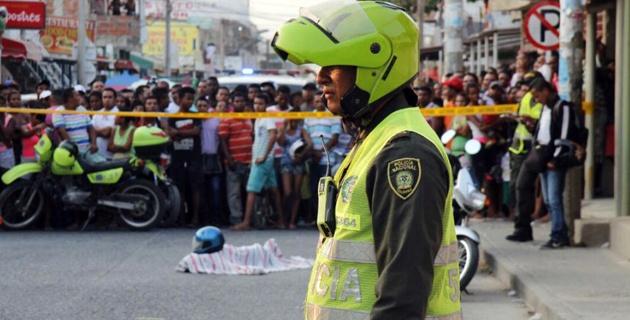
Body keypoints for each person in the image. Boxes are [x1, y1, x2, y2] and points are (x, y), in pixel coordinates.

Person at [272, 1, 461, 318]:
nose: (321, 78)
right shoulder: (375, 137)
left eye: (333, 66)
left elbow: (403, 295)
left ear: (375, 65)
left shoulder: (404, 152)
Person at [507, 79, 575, 249]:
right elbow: (541, 132)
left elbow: (564, 136)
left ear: (546, 90)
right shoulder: (546, 108)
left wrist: (555, 158)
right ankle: (556, 233)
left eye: (538, 95)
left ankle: (559, 235)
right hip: (542, 156)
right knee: (548, 199)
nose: (536, 100)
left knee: (554, 198)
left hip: (554, 159)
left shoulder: (562, 107)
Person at [231, 94, 286, 230]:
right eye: (256, 103)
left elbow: (273, 135)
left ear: (266, 105)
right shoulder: (258, 119)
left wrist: (264, 155)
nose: (257, 106)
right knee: (273, 190)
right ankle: (280, 221)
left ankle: (246, 222)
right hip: (262, 159)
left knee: (251, 190)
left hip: (263, 160)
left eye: (261, 104)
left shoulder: (267, 118)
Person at [166, 87, 203, 227]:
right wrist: (179, 133)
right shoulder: (172, 116)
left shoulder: (196, 115)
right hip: (177, 155)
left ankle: (195, 218)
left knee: (195, 188)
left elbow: (196, 131)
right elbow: (170, 133)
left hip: (194, 156)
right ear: (179, 99)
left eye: (191, 99)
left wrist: (178, 132)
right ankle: (180, 217)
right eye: (187, 98)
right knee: (179, 187)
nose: (190, 101)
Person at [218, 93, 253, 225]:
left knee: (249, 191)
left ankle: (249, 219)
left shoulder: (248, 118)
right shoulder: (227, 119)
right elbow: (222, 141)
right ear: (232, 103)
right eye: (237, 101)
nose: (240, 103)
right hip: (235, 161)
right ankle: (236, 218)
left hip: (249, 161)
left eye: (242, 101)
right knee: (234, 193)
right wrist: (229, 159)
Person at [277, 107, 313, 229]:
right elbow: (280, 142)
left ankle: (292, 221)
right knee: (287, 192)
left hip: (298, 162)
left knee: (296, 193)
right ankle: (283, 219)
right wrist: (283, 127)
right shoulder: (283, 129)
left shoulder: (301, 130)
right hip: (286, 161)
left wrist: (301, 155)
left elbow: (310, 144)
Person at [198, 98, 224, 226]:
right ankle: (204, 218)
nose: (201, 108)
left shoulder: (216, 120)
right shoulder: (196, 121)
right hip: (200, 158)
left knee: (215, 190)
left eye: (204, 105)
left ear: (208, 106)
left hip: (214, 157)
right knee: (202, 190)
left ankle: (217, 218)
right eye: (199, 106)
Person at [53, 88, 98, 154]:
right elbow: (62, 132)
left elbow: (91, 128)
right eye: (77, 95)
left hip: (87, 150)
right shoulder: (58, 112)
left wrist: (94, 144)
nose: (80, 98)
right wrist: (73, 149)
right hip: (71, 153)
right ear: (70, 98)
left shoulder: (82, 109)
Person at [92, 88, 119, 159]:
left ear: (115, 99)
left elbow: (108, 132)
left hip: (112, 156)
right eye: (105, 97)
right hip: (98, 154)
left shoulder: (119, 113)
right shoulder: (97, 114)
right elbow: (91, 131)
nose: (107, 100)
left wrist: (96, 131)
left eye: (110, 97)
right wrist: (103, 131)